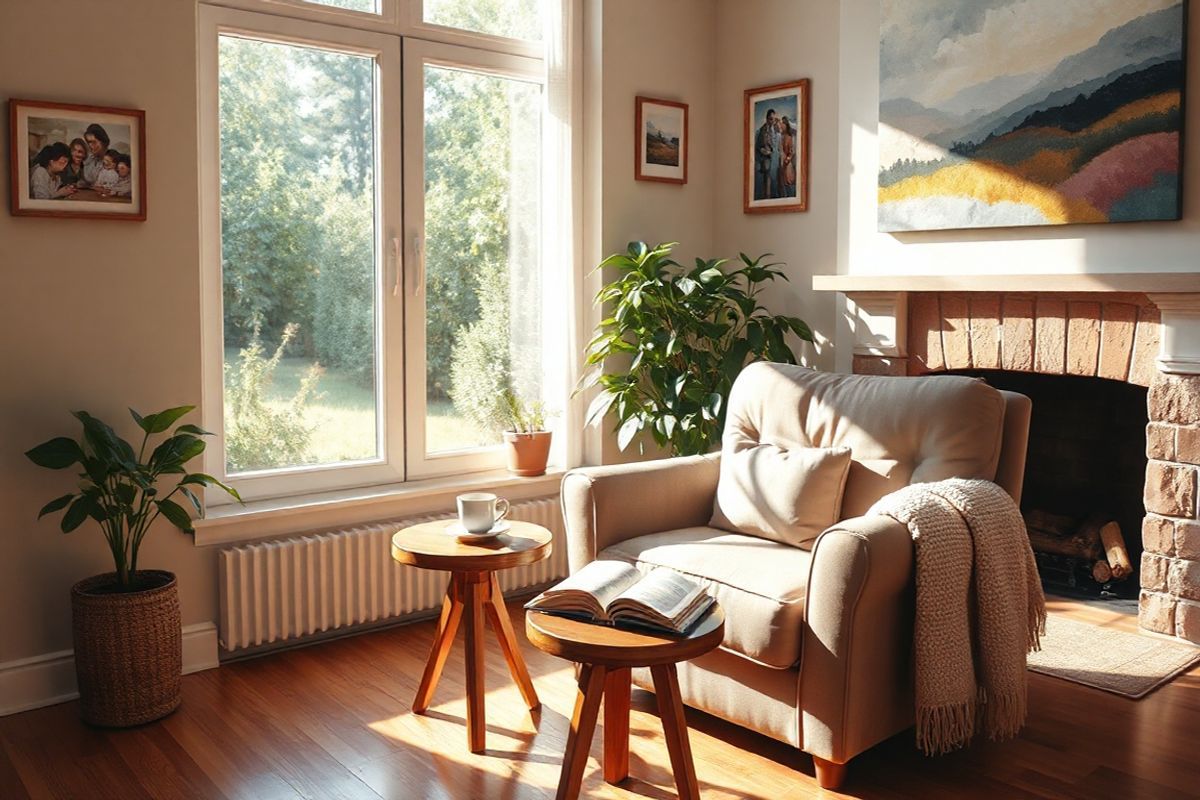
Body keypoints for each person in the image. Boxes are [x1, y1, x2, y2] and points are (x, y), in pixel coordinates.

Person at [754, 108, 777, 200]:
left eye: (774, 119)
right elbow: (759, 146)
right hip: (766, 158)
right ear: (767, 119)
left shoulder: (775, 129)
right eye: (771, 119)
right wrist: (765, 151)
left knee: (774, 179)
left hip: (773, 157)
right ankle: (766, 197)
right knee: (767, 179)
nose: (773, 121)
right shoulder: (762, 130)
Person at [79, 123, 110, 187]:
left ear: (103, 141)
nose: (90, 146)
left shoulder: (112, 159)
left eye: (93, 142)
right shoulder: (89, 159)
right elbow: (85, 180)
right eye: (88, 142)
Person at [778, 116, 796, 198]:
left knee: (788, 182)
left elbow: (791, 151)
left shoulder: (789, 137)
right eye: (781, 123)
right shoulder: (779, 136)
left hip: (786, 163)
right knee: (781, 184)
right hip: (779, 163)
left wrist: (787, 159)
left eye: (783, 123)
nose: (781, 125)